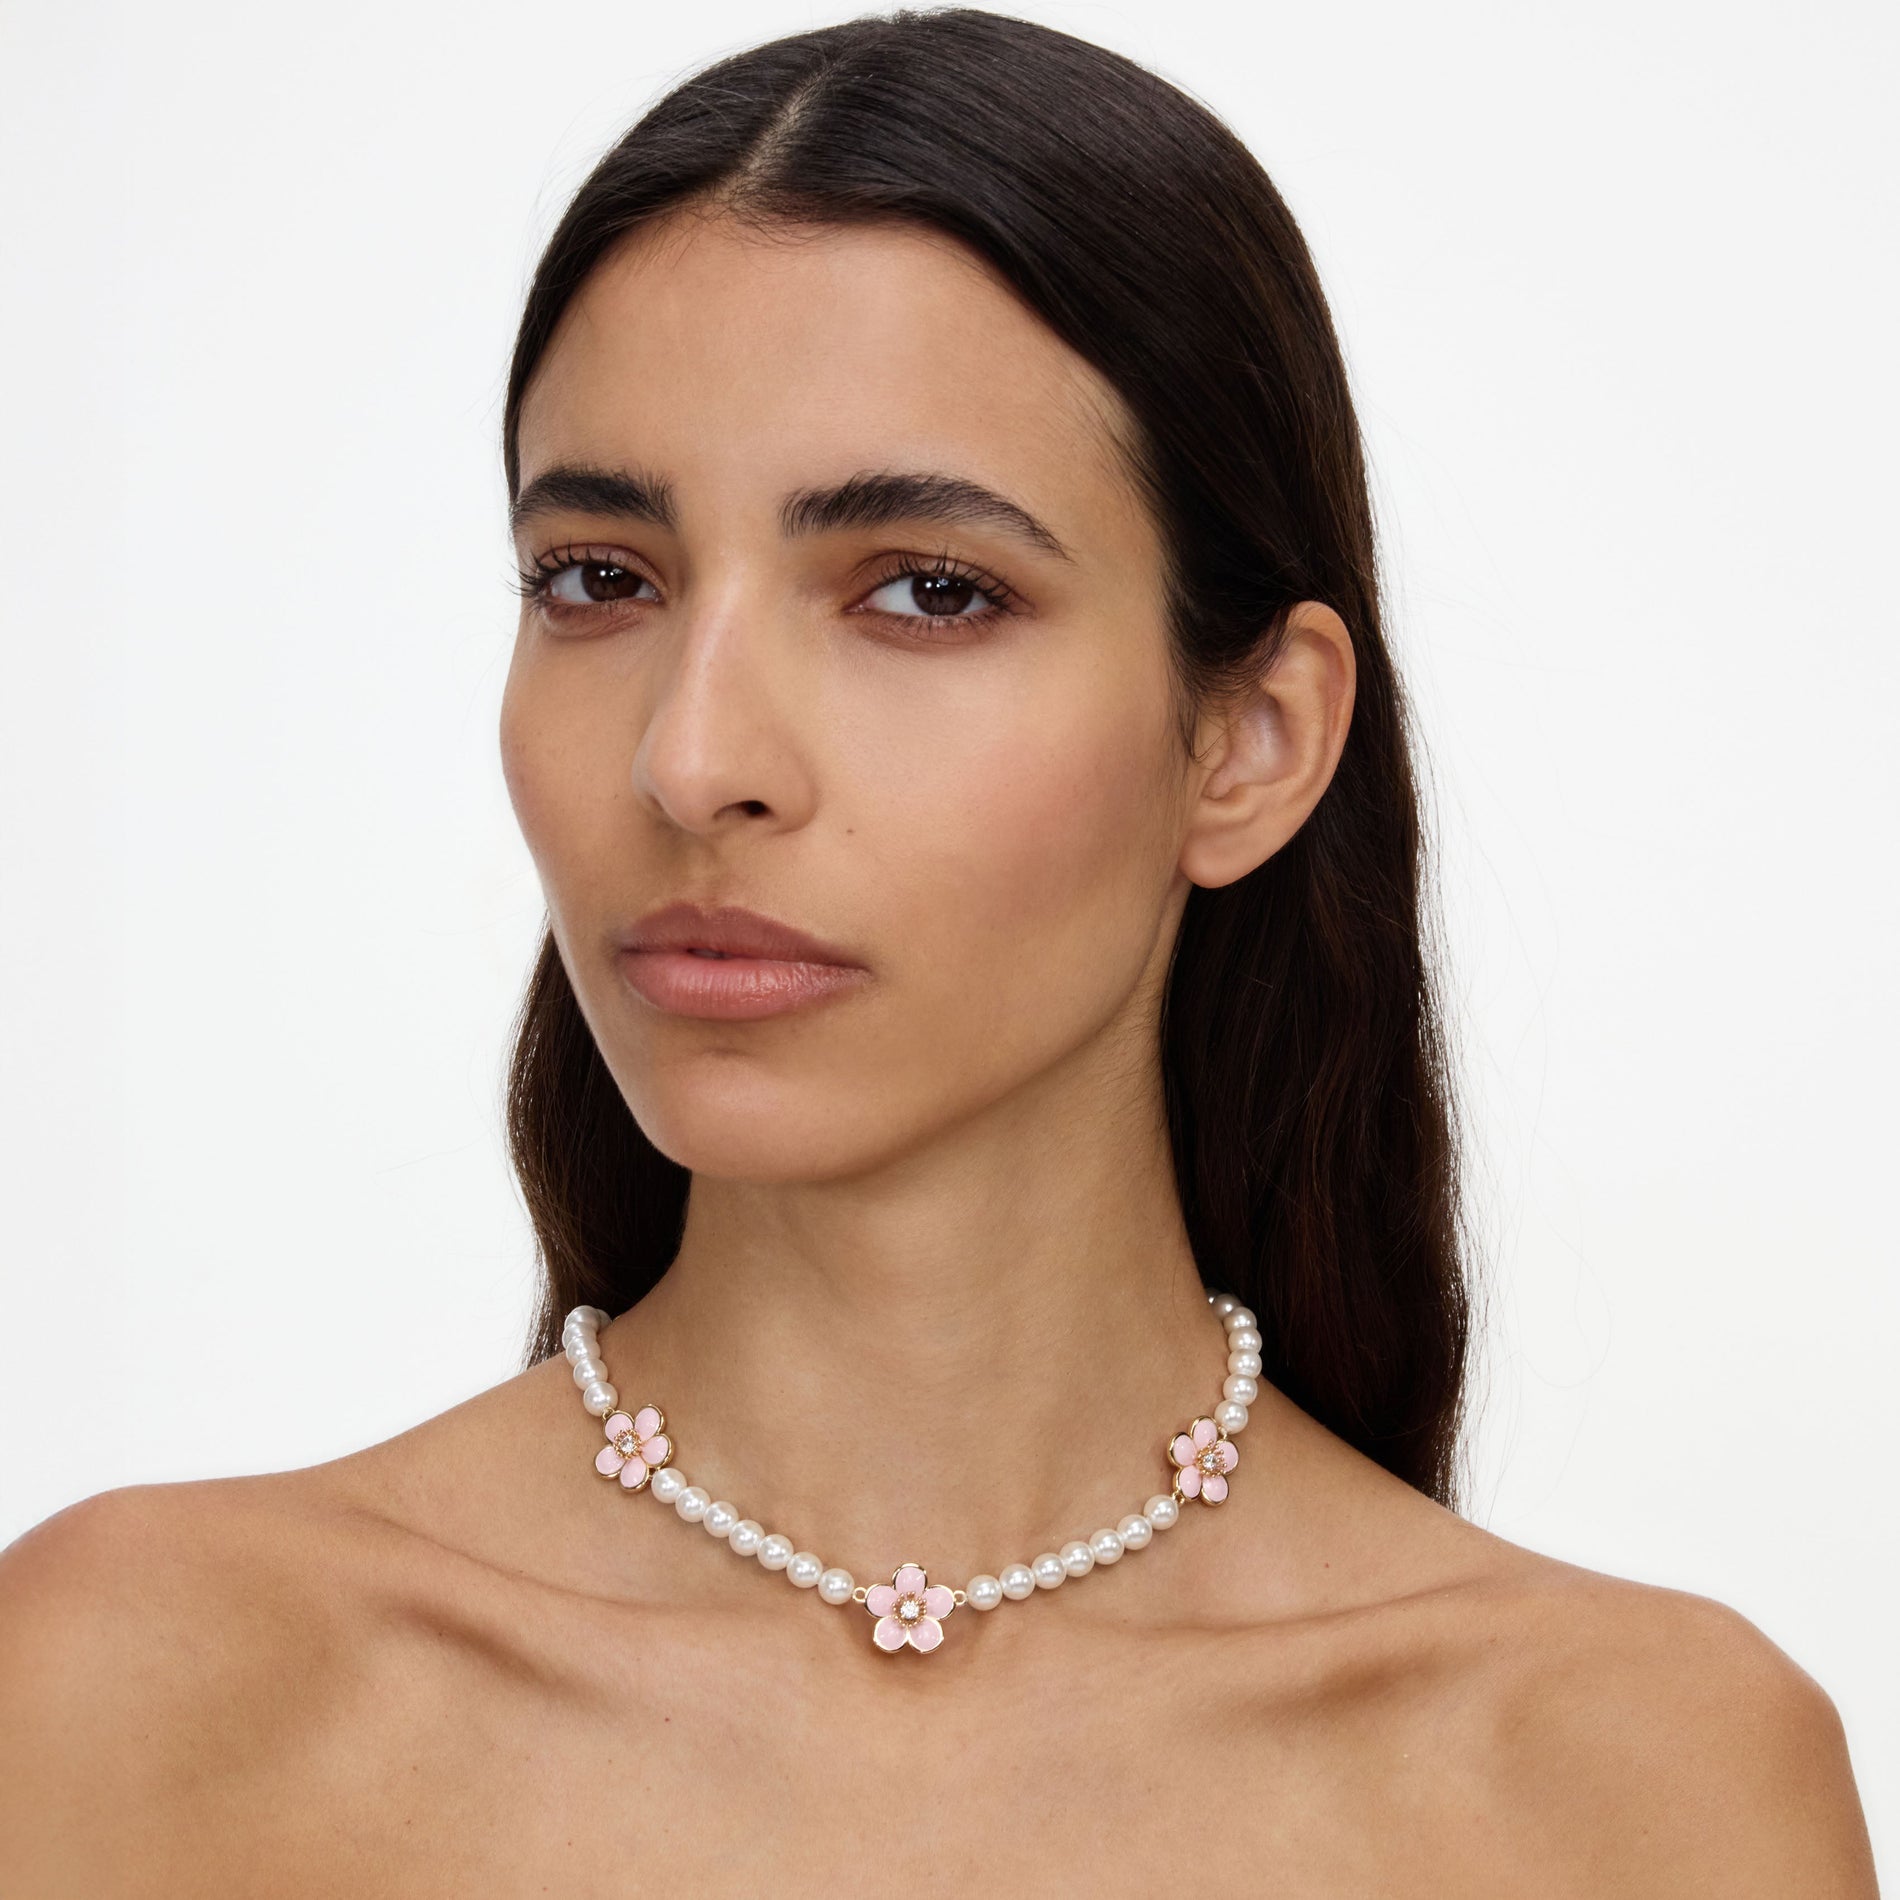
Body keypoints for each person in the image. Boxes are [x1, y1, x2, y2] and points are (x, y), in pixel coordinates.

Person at [0, 8, 1877, 1892]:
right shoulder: (134, 1696)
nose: (695, 755)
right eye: (602, 580)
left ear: (1251, 740)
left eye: (926, 591)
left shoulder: (1643, 1791)